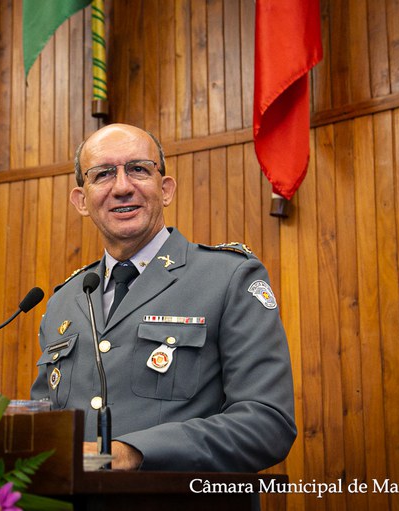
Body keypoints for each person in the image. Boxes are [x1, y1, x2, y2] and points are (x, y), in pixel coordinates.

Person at [31, 123, 296, 472]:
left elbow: (267, 423)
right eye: (103, 174)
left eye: (138, 169)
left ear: (166, 189)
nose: (122, 187)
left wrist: (133, 452)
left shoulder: (228, 277)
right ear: (81, 200)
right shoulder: (64, 301)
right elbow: (43, 428)